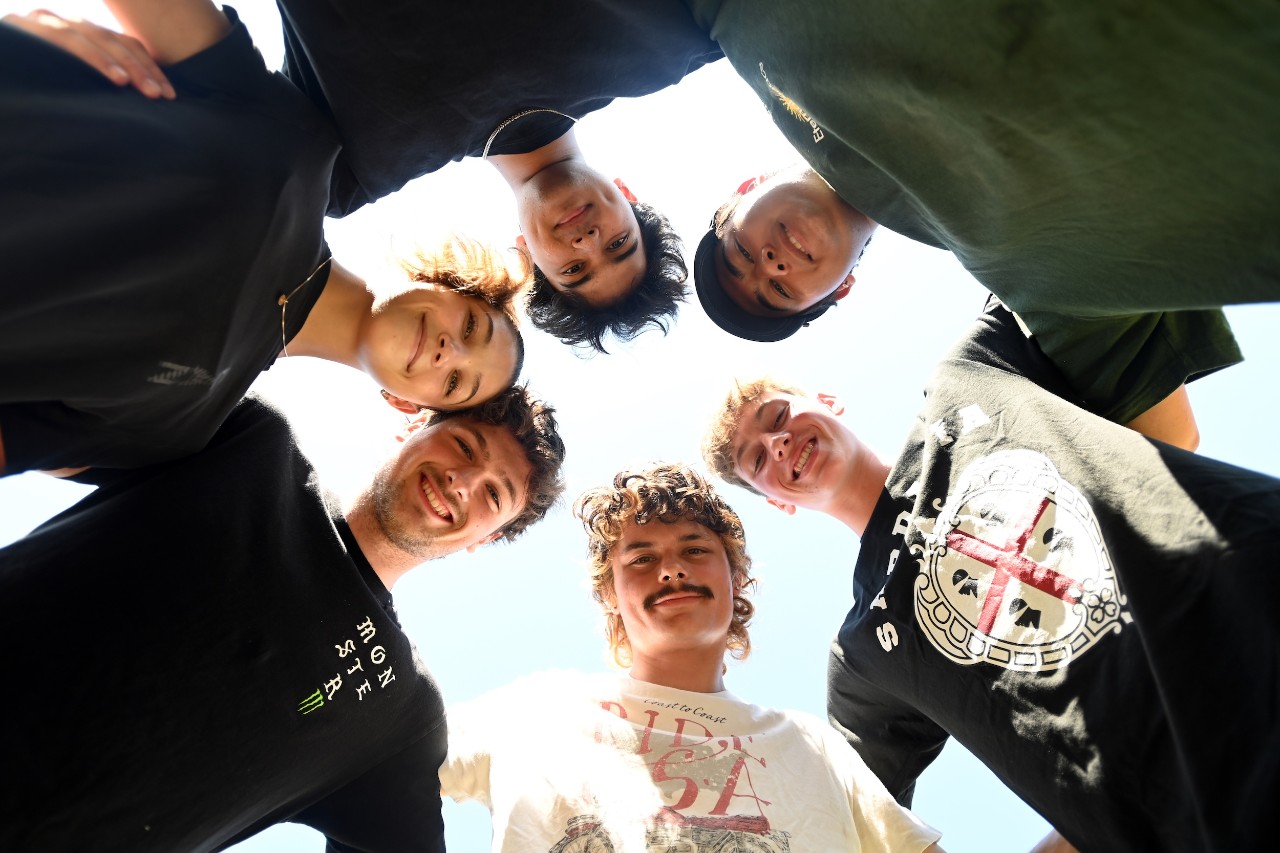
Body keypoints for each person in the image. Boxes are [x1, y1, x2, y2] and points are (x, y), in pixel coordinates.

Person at [701, 298, 1280, 851]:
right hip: (1214, 805)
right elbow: (843, 825)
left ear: (828, 400)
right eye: (757, 460)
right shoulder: (861, 658)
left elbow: (1056, 259)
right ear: (775, 502)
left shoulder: (969, 375)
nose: (776, 443)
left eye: (777, 416)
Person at [0, 381, 567, 852]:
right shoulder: (253, 438)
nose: (463, 482)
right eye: (464, 446)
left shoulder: (402, 717)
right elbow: (44, 422)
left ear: (481, 541)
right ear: (411, 428)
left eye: (494, 495)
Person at [0, 4, 526, 477]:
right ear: (445, 285)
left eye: (457, 383)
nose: (449, 351)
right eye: (472, 326)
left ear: (404, 404)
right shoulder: (300, 146)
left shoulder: (174, 431)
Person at [440, 463, 944, 852]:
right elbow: (381, 747)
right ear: (609, 595)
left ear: (737, 579)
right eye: (641, 558)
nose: (671, 570)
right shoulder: (536, 710)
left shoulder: (810, 744)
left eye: (695, 550)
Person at [690, 164, 1243, 447]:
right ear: (842, 291)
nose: (769, 264)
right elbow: (1168, 443)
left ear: (745, 187)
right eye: (779, 292)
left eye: (740, 251)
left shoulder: (790, 63)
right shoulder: (1013, 248)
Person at [273, 0, 705, 352]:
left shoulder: (347, 171)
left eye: (574, 269)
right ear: (628, 196)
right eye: (618, 244)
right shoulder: (668, 42)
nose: (588, 241)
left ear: (526, 255)